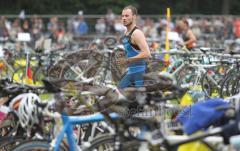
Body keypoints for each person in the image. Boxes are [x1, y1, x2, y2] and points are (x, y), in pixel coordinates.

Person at [117, 5, 151, 89]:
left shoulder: (137, 33)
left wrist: (127, 61)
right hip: (131, 71)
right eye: (122, 16)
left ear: (134, 17)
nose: (124, 18)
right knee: (118, 95)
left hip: (140, 72)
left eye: (127, 16)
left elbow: (147, 53)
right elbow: (131, 51)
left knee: (137, 100)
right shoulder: (126, 32)